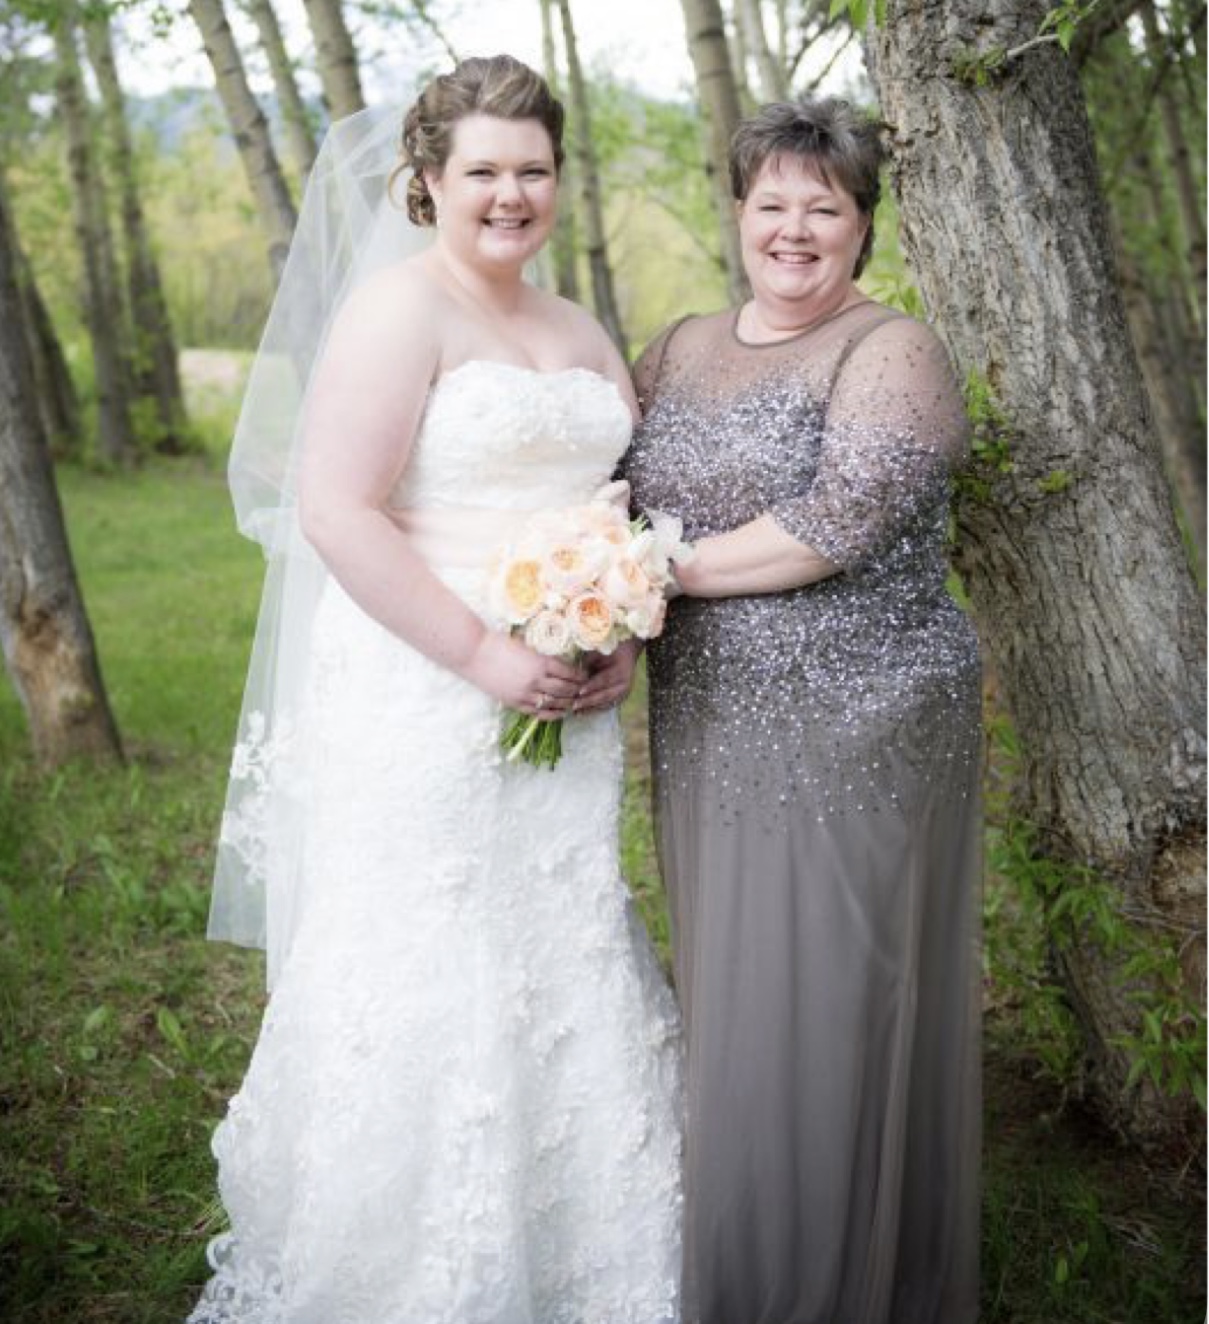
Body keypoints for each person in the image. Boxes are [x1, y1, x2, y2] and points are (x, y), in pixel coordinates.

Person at [189, 56, 681, 1323]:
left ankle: (589, 1239)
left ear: (558, 180)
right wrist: (482, 655)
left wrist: (618, 620)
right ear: (427, 182)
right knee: (437, 955)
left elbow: (606, 509)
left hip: (564, 695)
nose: (511, 194)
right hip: (427, 681)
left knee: (558, 938)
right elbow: (338, 513)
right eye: (484, 172)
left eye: (534, 170)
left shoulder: (577, 328)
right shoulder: (397, 314)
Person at [622, 97, 982, 1324]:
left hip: (860, 726)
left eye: (821, 207)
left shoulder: (893, 350)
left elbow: (833, 526)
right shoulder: (674, 345)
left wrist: (647, 574)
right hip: (708, 718)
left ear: (861, 226)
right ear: (737, 215)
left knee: (830, 991)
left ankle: (836, 1280)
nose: (793, 228)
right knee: (738, 985)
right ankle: (749, 1243)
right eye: (770, 203)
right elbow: (601, 481)